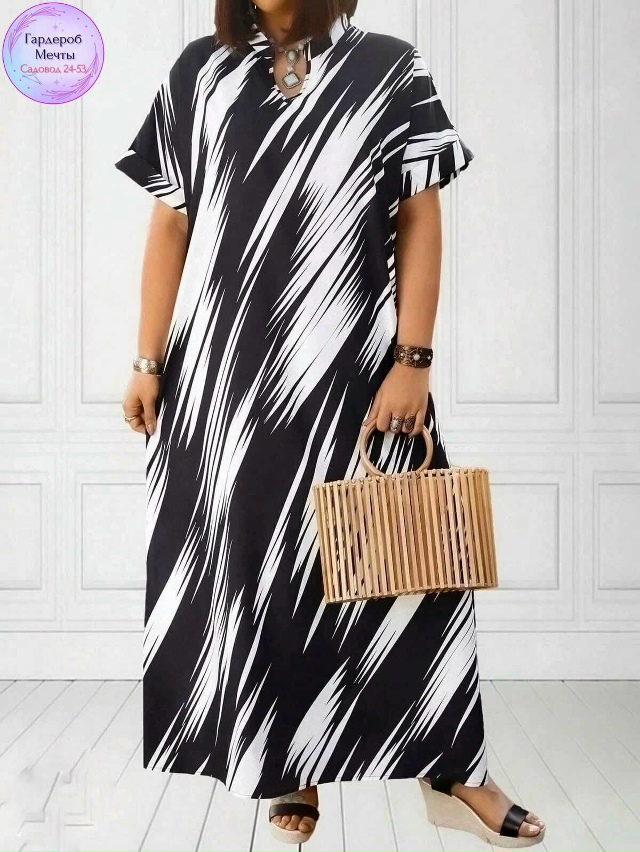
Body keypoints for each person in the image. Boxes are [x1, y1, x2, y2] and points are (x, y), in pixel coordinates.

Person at [115, 0, 546, 846]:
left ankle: (454, 769)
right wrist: (146, 359)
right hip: (228, 383)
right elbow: (171, 221)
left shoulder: (387, 65)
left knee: (413, 568)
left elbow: (418, 216)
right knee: (263, 574)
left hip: (356, 370)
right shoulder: (198, 71)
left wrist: (413, 360)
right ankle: (290, 763)